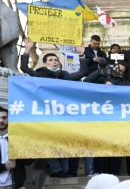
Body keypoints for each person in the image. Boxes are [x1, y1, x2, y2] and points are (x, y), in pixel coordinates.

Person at [21, 39, 90, 178]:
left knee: (63, 142)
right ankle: (56, 169)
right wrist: (27, 51)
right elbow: (24, 68)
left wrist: (81, 55)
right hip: (46, 115)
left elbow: (83, 71)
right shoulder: (39, 75)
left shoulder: (64, 76)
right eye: (51, 60)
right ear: (45, 63)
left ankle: (62, 170)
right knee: (49, 143)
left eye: (56, 60)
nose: (54, 61)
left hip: (63, 115)